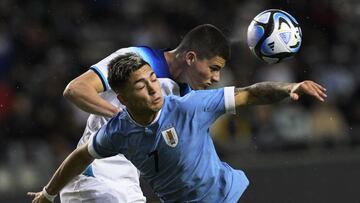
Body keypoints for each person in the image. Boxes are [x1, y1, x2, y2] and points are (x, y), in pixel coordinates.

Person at [28, 53, 327, 203]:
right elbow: (81, 156)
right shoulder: (119, 131)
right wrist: (49, 193)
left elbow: (249, 93)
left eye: (153, 80)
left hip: (227, 197)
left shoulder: (189, 107)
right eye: (141, 86)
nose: (153, 89)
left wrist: (290, 87)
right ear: (122, 98)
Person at [60, 24, 230, 202]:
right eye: (214, 68)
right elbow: (76, 89)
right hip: (94, 179)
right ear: (190, 58)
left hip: (128, 186)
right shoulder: (137, 59)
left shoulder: (186, 98)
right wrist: (122, 119)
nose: (216, 78)